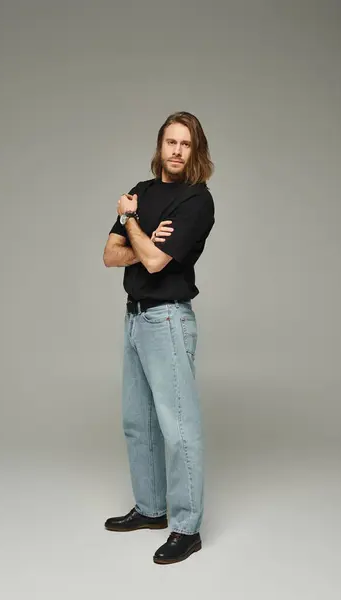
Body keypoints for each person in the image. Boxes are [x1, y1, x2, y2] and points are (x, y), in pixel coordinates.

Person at [102, 111, 215, 565]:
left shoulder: (196, 201)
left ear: (195, 151)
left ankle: (186, 529)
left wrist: (131, 223)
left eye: (184, 144)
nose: (175, 150)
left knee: (178, 428)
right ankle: (151, 510)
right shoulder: (143, 191)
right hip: (134, 319)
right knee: (138, 422)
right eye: (170, 142)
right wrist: (147, 239)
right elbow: (110, 256)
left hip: (168, 320)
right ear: (160, 146)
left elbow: (152, 264)